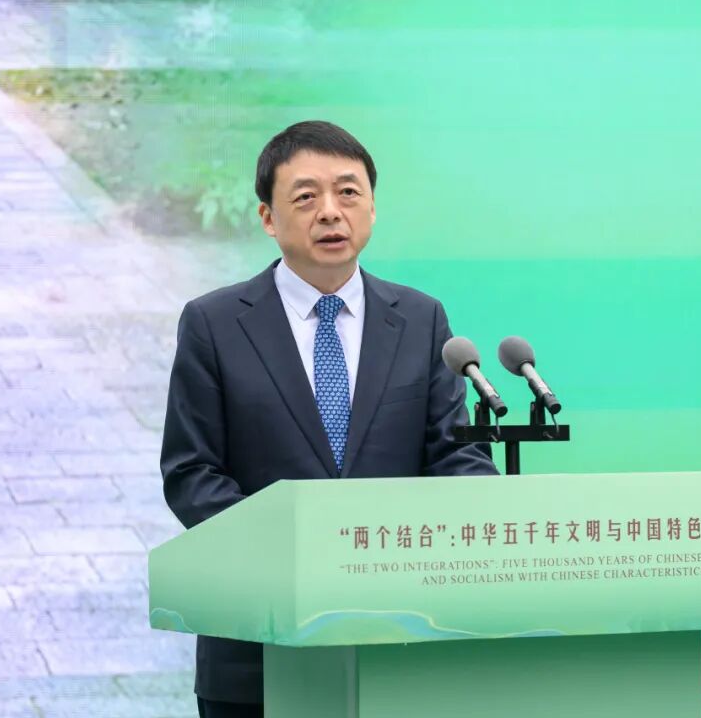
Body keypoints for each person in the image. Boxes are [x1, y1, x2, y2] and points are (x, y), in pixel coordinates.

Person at [160, 120, 497, 717]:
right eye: (306, 196)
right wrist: (304, 554)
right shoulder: (214, 323)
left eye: (347, 192)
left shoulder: (421, 320)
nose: (330, 212)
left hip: (402, 637)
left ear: (372, 207)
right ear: (268, 217)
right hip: (259, 644)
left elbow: (456, 454)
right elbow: (192, 474)